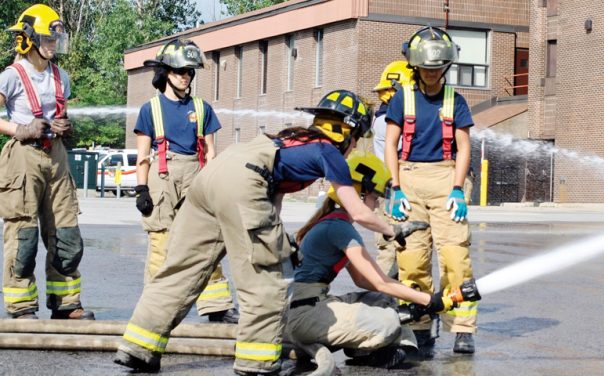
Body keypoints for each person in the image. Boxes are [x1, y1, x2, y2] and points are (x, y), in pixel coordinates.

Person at [114, 90, 417, 375]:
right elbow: (360, 211)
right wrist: (393, 230)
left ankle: (138, 347)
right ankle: (255, 363)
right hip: (244, 183)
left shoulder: (288, 139)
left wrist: (278, 239)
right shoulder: (329, 152)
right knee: (267, 283)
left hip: (211, 178)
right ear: (348, 131)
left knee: (182, 270)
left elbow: (271, 199)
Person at [285, 151, 455, 370]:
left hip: (310, 307)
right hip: (305, 316)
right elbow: (380, 281)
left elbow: (363, 281)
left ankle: (370, 346)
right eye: (374, 198)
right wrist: (429, 300)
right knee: (388, 321)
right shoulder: (339, 228)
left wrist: (409, 300)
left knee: (382, 302)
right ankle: (373, 346)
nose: (375, 207)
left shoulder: (335, 223)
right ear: (360, 193)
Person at [384, 26, 477, 356]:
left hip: (444, 179)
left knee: (456, 257)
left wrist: (457, 190)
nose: (432, 73)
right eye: (426, 67)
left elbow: (464, 147)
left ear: (446, 66)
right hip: (408, 180)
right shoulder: (402, 98)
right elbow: (391, 145)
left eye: (438, 67)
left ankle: (463, 328)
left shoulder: (456, 101)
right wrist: (395, 188)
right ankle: (418, 326)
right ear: (415, 66)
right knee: (412, 259)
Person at [134, 38, 238, 324]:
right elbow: (143, 155)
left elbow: (211, 153)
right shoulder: (150, 110)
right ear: (166, 72)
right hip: (163, 179)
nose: (185, 76)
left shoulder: (202, 109)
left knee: (205, 241)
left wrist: (215, 187)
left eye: (190, 71)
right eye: (180, 70)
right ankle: (154, 309)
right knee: (161, 244)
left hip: (196, 175)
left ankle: (217, 304)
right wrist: (141, 189)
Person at [0, 4, 94, 320]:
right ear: (28, 38)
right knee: (23, 234)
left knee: (66, 232)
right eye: (48, 38)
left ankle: (66, 302)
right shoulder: (12, 76)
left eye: (57, 39)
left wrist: (66, 126)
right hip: (23, 157)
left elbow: (61, 114)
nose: (54, 45)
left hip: (56, 156)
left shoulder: (60, 77)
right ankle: (22, 305)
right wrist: (20, 129)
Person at [371, 61, 414, 278]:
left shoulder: (388, 117)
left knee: (406, 246)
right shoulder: (387, 121)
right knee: (390, 246)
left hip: (394, 188)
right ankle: (382, 298)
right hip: (391, 190)